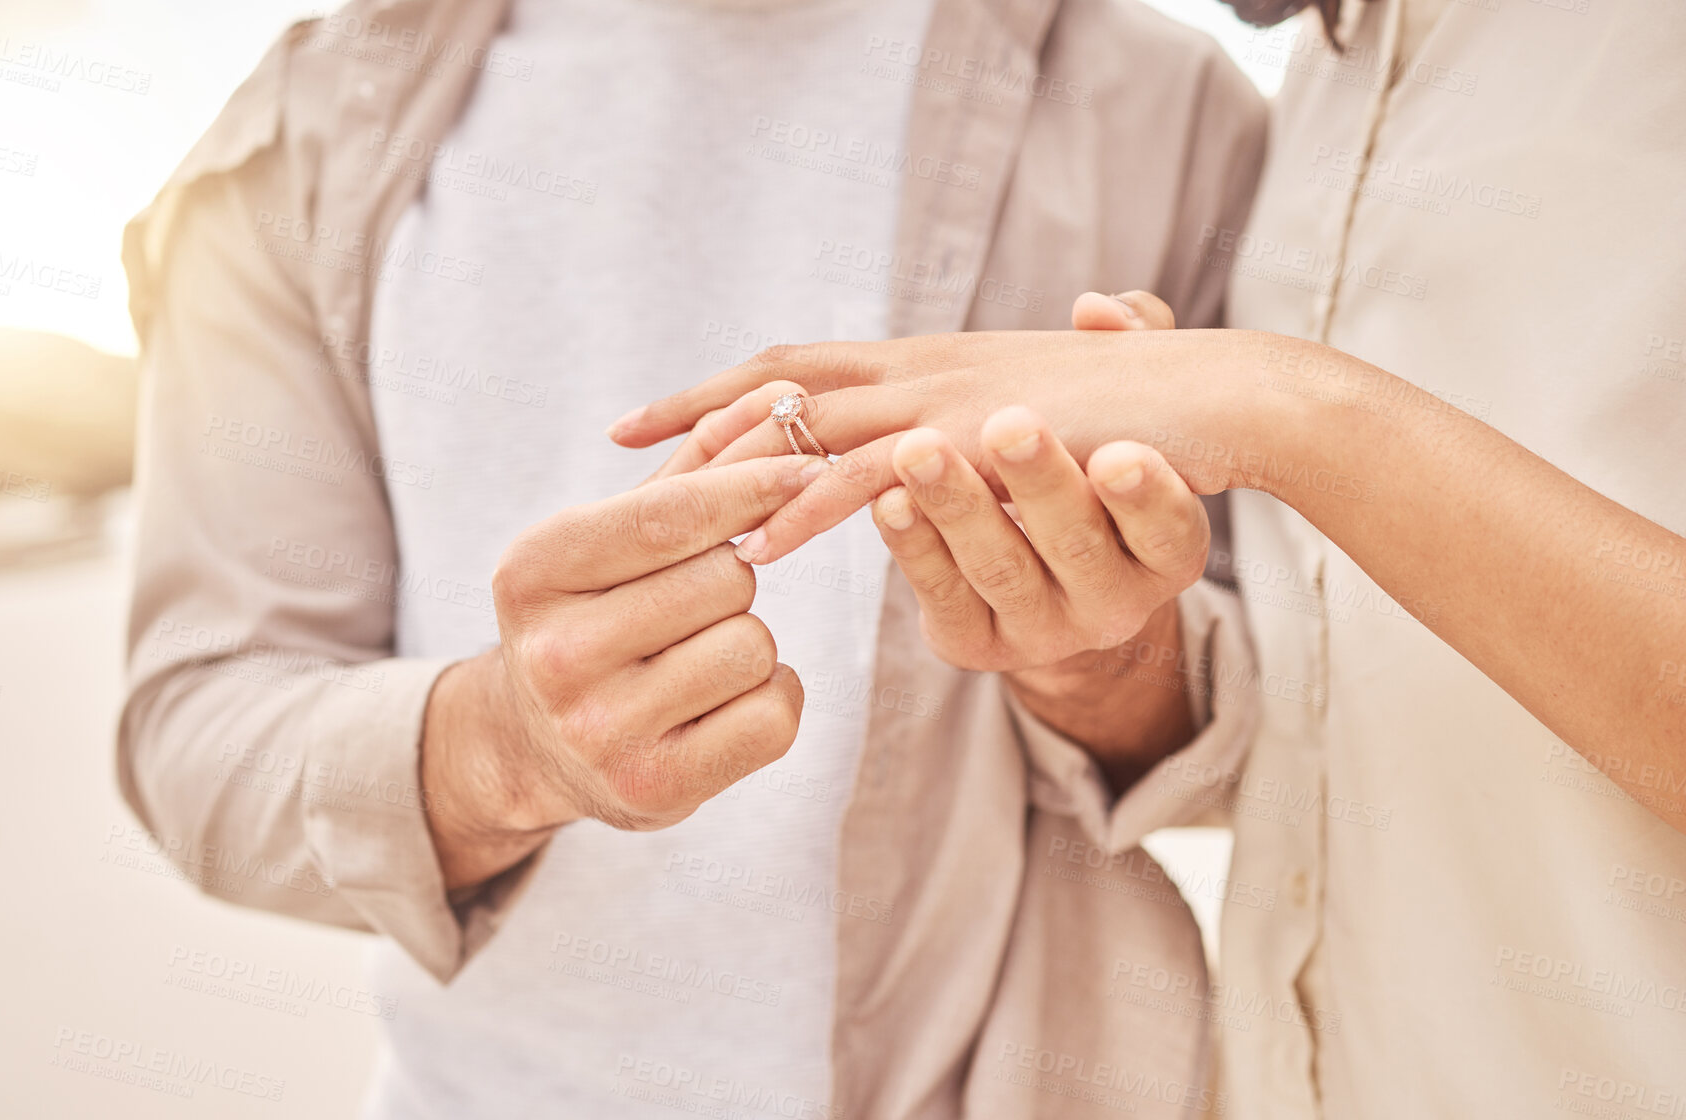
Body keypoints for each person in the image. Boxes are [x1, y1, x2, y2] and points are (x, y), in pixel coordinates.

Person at [118, 0, 1274, 1115]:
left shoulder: (1170, 111)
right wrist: (505, 748)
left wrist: (1097, 660)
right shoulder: (305, 127)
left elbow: (1295, 725)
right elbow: (199, 730)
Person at [615, 0, 1686, 1115]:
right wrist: (1096, 651)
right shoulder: (1323, 80)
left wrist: (1281, 408)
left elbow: (1287, 425)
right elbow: (1345, 713)